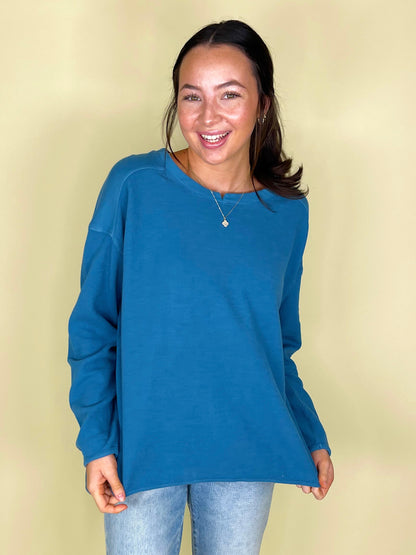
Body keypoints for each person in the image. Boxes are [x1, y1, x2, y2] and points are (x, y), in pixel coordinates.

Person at [67, 19, 334, 554]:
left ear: (263, 104)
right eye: (192, 97)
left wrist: (308, 433)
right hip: (143, 452)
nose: (208, 117)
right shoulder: (134, 185)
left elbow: (276, 344)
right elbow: (95, 326)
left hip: (247, 448)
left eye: (229, 95)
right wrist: (97, 441)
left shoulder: (287, 212)